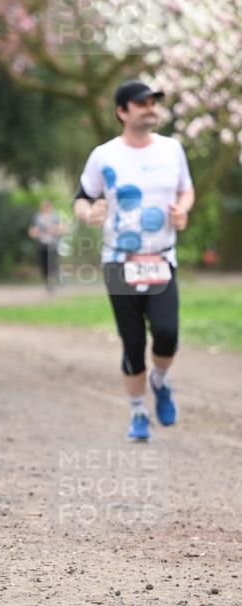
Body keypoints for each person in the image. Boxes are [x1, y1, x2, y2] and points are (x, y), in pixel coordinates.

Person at [73, 79, 195, 441]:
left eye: (153, 102)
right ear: (122, 112)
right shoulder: (104, 155)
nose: (150, 108)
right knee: (133, 343)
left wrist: (183, 210)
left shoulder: (172, 149)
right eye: (142, 103)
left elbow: (186, 189)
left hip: (161, 258)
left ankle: (160, 380)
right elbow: (82, 198)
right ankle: (138, 412)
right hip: (119, 261)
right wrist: (88, 214)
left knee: (167, 335)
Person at [28, 199, 65, 291]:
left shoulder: (55, 217)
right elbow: (32, 231)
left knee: (52, 264)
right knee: (44, 265)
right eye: (43, 206)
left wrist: (54, 230)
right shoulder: (37, 217)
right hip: (42, 244)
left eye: (47, 206)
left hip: (53, 244)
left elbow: (62, 228)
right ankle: (49, 281)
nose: (45, 208)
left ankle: (52, 282)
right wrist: (35, 232)